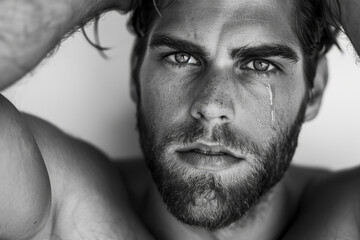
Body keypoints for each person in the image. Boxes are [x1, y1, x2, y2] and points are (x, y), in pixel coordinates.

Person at [0, 0, 359, 239]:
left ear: (313, 91)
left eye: (259, 65)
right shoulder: (60, 202)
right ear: (135, 74)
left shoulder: (347, 217)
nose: (211, 105)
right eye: (181, 57)